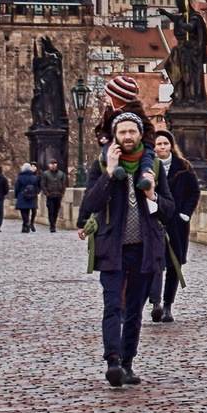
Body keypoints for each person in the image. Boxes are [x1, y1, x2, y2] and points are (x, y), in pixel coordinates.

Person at [77, 111, 174, 386]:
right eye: (123, 132)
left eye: (132, 131)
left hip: (145, 248)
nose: (128, 136)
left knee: (134, 310)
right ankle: (113, 361)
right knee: (112, 306)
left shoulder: (152, 165)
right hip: (112, 247)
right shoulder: (101, 163)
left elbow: (169, 209)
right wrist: (109, 172)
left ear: (141, 134)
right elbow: (90, 204)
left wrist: (152, 195)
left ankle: (128, 363)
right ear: (115, 136)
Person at [150, 131, 200, 323]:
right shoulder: (147, 166)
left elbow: (194, 192)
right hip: (155, 222)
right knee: (154, 263)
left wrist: (185, 214)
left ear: (171, 145)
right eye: (158, 144)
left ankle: (168, 305)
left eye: (165, 143)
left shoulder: (184, 167)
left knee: (174, 265)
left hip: (177, 224)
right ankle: (156, 304)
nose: (162, 147)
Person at [13, 162, 41, 233]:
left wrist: (16, 195)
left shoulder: (20, 177)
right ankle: (26, 225)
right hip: (30, 196)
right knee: (28, 211)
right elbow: (36, 187)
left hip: (22, 195)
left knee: (23, 211)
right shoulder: (33, 177)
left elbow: (17, 187)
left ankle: (26, 223)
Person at [44, 162, 65, 231]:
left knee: (56, 211)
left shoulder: (61, 174)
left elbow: (64, 184)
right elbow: (43, 184)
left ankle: (54, 223)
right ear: (49, 165)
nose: (53, 165)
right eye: (52, 163)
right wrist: (47, 193)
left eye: (55, 163)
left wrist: (62, 193)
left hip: (58, 195)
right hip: (50, 194)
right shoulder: (46, 174)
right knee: (51, 210)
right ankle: (52, 226)